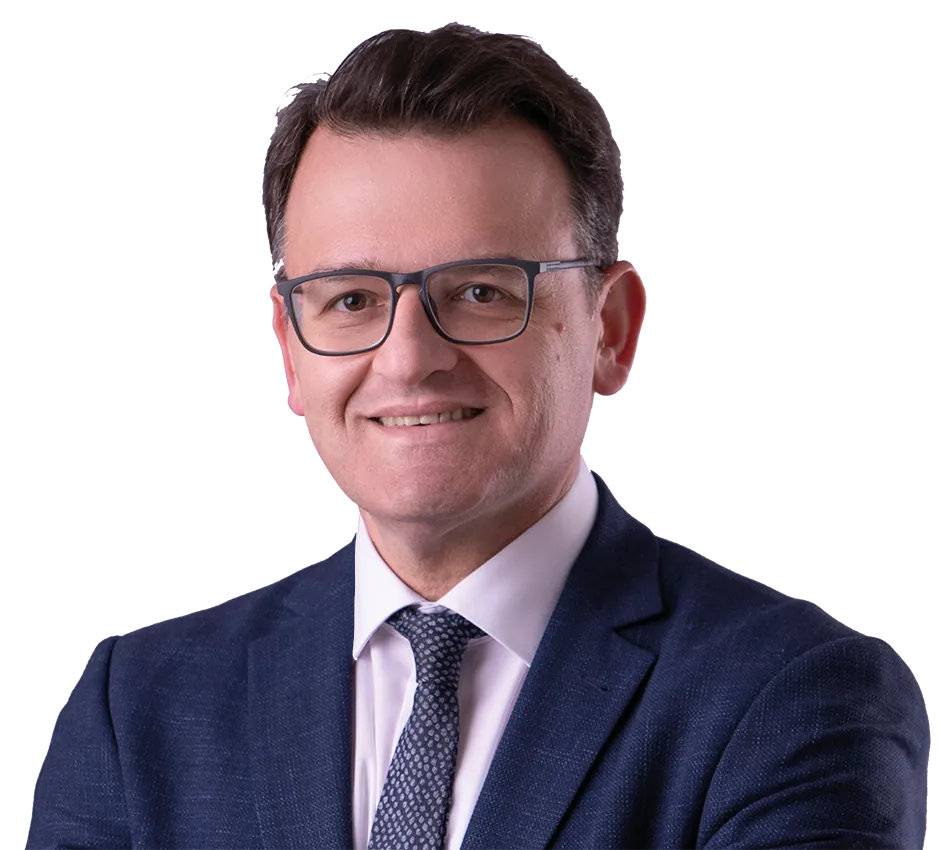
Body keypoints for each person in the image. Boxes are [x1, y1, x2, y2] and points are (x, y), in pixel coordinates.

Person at [27, 24, 928, 850]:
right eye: (351, 299)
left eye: (481, 292)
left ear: (611, 330)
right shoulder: (137, 707)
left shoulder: (794, 698)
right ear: (289, 350)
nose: (408, 359)